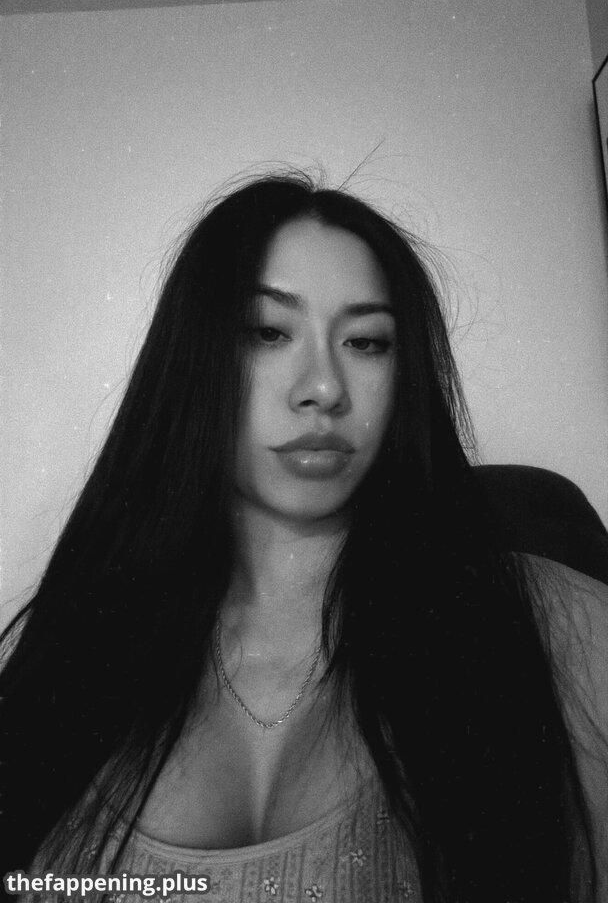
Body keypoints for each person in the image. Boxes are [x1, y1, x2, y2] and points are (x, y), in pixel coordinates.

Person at [1, 169, 607, 903]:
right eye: (267, 331)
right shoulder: (71, 649)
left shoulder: (558, 631)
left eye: (367, 341)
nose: (323, 388)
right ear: (193, 358)